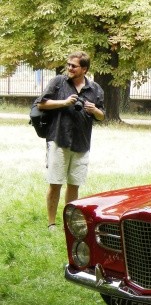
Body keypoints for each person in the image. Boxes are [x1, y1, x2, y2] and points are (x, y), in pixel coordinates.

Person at [37, 51, 105, 231]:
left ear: (84, 69)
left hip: (81, 143)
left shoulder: (95, 89)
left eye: (73, 66)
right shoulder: (59, 82)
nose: (69, 68)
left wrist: (94, 110)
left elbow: (102, 116)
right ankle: (51, 223)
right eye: (68, 65)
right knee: (55, 183)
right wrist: (64, 102)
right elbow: (41, 104)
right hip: (59, 139)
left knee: (74, 185)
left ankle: (69, 224)